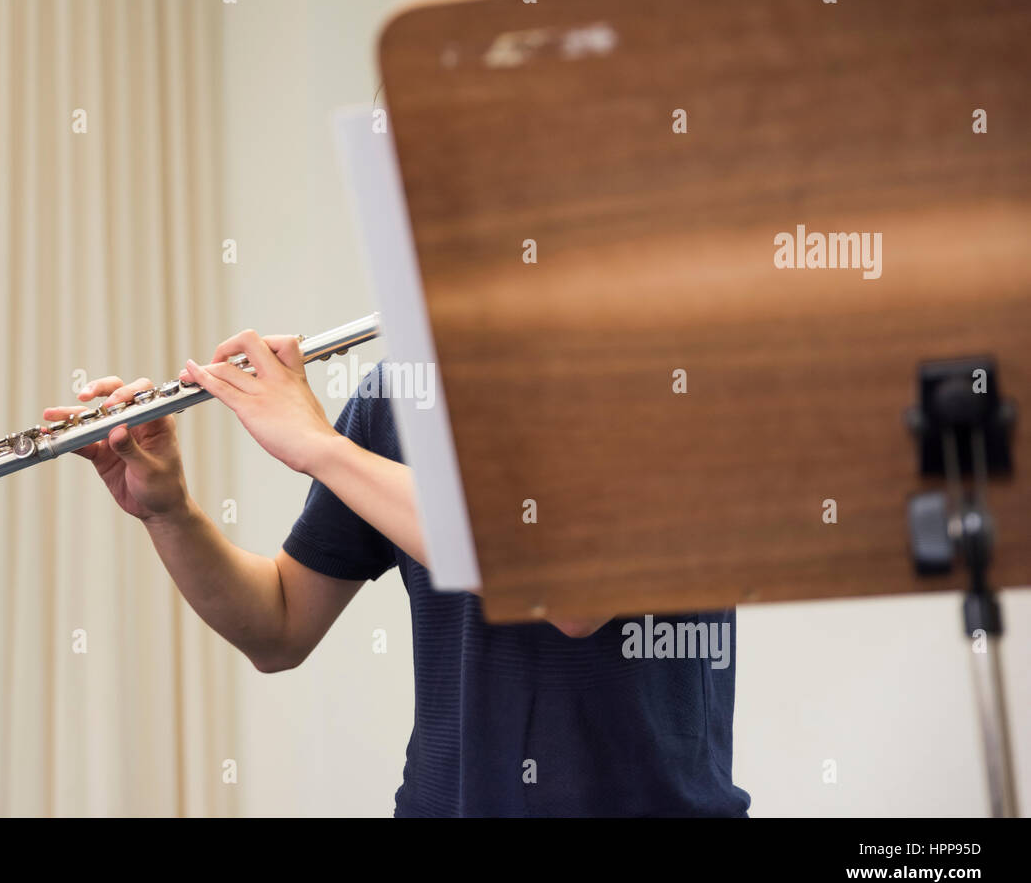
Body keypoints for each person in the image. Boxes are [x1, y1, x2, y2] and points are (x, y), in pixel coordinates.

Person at [44, 329, 750, 817]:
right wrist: (169, 510)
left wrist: (319, 445)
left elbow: (567, 591)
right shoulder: (398, 398)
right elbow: (280, 624)